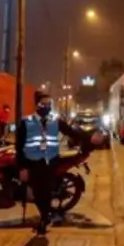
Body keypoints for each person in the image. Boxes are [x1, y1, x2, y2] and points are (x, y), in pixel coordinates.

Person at [15, 90, 103, 235]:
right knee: (37, 193)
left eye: (49, 103)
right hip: (33, 163)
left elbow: (72, 132)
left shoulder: (55, 121)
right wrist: (22, 167)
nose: (46, 106)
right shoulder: (27, 122)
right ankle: (45, 216)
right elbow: (19, 146)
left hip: (50, 162)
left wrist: (90, 137)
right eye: (43, 103)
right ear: (36, 104)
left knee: (45, 191)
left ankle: (44, 219)